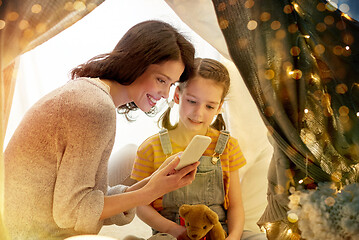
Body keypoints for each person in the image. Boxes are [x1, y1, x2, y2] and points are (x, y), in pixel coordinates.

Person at [3, 20, 199, 240]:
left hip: (32, 218)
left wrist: (155, 183)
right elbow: (72, 212)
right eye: (161, 79)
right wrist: (149, 192)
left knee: (131, 154)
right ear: (135, 64)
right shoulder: (94, 107)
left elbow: (86, 196)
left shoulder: (92, 94)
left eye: (171, 84)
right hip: (31, 233)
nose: (164, 93)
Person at [131, 58, 267, 240]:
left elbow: (235, 206)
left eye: (209, 106)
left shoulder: (228, 146)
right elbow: (140, 205)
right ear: (177, 95)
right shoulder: (150, 149)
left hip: (220, 232)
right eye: (192, 101)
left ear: (219, 107)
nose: (198, 113)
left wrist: (233, 237)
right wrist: (175, 231)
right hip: (171, 233)